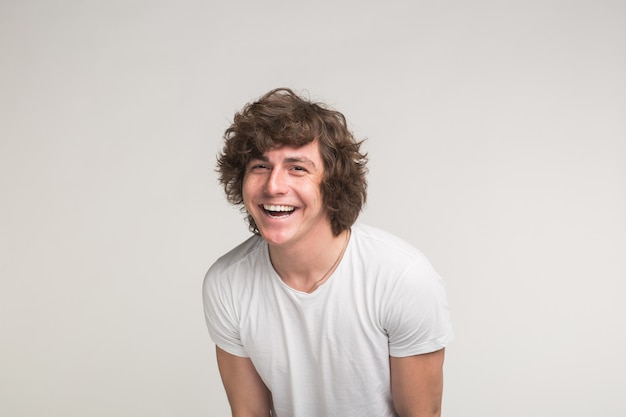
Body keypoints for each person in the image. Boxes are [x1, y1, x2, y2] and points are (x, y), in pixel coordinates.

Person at [203, 88, 453, 417]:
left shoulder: (402, 277)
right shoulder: (227, 283)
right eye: (260, 166)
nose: (273, 186)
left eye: (297, 168)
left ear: (332, 184)